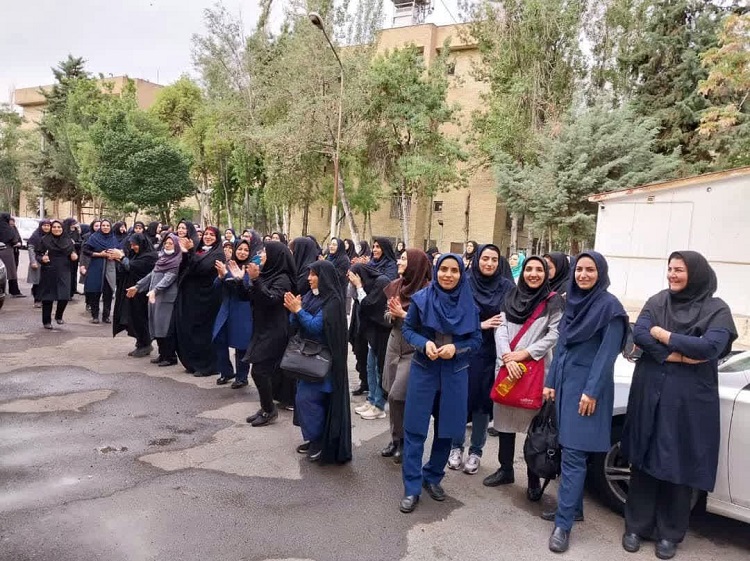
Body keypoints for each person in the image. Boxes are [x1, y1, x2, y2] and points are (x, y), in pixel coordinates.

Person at [620, 251, 737, 560]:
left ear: (696, 273)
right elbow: (640, 333)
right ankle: (635, 526)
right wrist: (677, 355)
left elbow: (709, 346)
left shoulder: (716, 309)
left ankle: (669, 534)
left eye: (679, 270)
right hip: (650, 391)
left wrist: (664, 334)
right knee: (643, 457)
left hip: (689, 401)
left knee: (679, 462)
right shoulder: (659, 301)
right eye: (670, 268)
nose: (672, 274)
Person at [542, 251, 628, 553]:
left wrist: (591, 392)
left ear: (600, 272)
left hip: (587, 392)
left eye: (590, 270)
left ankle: (563, 525)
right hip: (566, 387)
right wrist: (551, 382)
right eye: (579, 269)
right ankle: (574, 508)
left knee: (575, 454)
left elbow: (606, 356)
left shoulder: (610, 308)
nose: (583, 275)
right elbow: (562, 346)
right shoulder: (573, 303)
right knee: (568, 448)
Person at [398, 254, 482, 513]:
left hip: (455, 373)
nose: (448, 274)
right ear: (436, 271)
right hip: (424, 370)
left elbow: (476, 340)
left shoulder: (469, 304)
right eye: (443, 269)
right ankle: (412, 487)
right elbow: (407, 329)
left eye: (454, 270)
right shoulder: (421, 299)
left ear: (461, 274)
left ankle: (432, 477)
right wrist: (424, 343)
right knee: (415, 430)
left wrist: (456, 348)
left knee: (448, 430)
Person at [483, 256, 563, 497]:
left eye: (539, 269)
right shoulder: (510, 296)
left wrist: (525, 354)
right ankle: (505, 469)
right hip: (508, 368)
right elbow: (500, 328)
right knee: (504, 421)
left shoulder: (553, 301)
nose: (533, 274)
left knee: (533, 427)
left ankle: (533, 478)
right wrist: (508, 358)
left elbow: (554, 334)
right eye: (529, 269)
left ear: (546, 274)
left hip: (535, 370)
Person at [449, 244, 516, 475]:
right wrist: (480, 325)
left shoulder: (507, 287)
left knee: (482, 405)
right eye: (485, 258)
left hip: (491, 354)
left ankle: (476, 451)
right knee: (460, 401)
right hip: (464, 350)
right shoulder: (465, 282)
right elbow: (453, 316)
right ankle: (455, 447)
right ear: (477, 259)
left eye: (494, 259)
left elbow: (513, 318)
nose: (489, 263)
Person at [283, 260, 352, 463]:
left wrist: (298, 310)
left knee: (310, 401)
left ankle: (320, 441)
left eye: (313, 275)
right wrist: (295, 311)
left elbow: (315, 326)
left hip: (323, 362)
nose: (309, 278)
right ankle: (314, 438)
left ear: (324, 278)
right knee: (304, 401)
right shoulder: (310, 296)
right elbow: (295, 323)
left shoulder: (333, 301)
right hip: (306, 358)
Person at [235, 241, 296, 427]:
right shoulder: (267, 274)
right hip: (262, 328)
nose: (261, 255)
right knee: (262, 371)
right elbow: (248, 296)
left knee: (259, 371)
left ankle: (269, 410)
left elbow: (271, 299)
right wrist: (240, 280)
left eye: (265, 253)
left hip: (275, 330)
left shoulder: (283, 279)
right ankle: (266, 407)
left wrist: (256, 280)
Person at [381, 249, 432, 464]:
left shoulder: (428, 291)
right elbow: (386, 315)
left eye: (404, 259)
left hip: (414, 349)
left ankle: (405, 442)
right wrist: (392, 315)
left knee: (398, 395)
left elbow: (429, 323)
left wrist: (404, 314)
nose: (399, 262)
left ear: (415, 264)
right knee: (391, 394)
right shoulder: (396, 286)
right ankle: (395, 439)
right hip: (394, 344)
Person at [173, 226, 225, 376]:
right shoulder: (199, 250)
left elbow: (202, 269)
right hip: (191, 297)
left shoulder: (218, 254)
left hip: (206, 299)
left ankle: (207, 366)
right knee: (189, 329)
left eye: (212, 235)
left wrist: (190, 252)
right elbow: (185, 268)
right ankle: (192, 362)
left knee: (203, 332)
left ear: (217, 238)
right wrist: (187, 253)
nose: (208, 237)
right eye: (206, 234)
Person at [128, 234, 181, 366]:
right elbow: (152, 274)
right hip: (154, 297)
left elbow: (168, 278)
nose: (167, 245)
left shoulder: (176, 260)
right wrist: (138, 286)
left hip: (166, 299)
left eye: (171, 243)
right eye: (166, 243)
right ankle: (162, 354)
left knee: (165, 327)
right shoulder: (162, 258)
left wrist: (155, 290)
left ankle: (170, 357)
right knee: (156, 325)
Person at [349, 263, 392, 420]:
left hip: (382, 333)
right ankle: (372, 400)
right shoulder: (371, 283)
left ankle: (379, 405)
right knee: (370, 367)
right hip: (372, 335)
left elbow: (369, 305)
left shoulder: (382, 281)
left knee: (379, 369)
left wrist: (359, 286)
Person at [213, 240, 256, 388]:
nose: (242, 252)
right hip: (226, 308)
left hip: (242, 309)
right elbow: (216, 287)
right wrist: (220, 276)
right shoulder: (228, 266)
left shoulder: (250, 268)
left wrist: (229, 277)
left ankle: (242, 377)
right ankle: (226, 371)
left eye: (246, 250)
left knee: (241, 344)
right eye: (240, 249)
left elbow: (247, 289)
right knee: (218, 338)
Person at [111, 233, 157, 357]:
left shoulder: (150, 256)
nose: (132, 247)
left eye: (135, 245)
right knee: (132, 318)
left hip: (141, 292)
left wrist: (122, 258)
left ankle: (145, 344)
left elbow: (133, 267)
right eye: (131, 245)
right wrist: (119, 259)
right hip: (131, 291)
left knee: (140, 317)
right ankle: (141, 343)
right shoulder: (135, 254)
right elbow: (126, 268)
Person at [36, 219, 78, 328]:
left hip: (64, 270)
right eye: (54, 227)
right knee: (48, 297)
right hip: (49, 270)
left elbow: (73, 252)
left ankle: (59, 316)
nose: (56, 229)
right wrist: (42, 258)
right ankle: (46, 321)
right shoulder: (44, 240)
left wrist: (74, 256)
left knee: (64, 296)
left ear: (63, 228)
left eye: (59, 227)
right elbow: (38, 254)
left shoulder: (68, 240)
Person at [83, 219, 119, 324]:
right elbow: (86, 250)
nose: (105, 227)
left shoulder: (114, 238)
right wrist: (99, 254)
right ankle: (95, 316)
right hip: (96, 266)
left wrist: (115, 255)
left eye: (108, 225)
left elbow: (120, 251)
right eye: (103, 225)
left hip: (110, 268)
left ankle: (106, 316)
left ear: (110, 227)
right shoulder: (94, 237)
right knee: (95, 292)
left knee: (108, 293)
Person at [27, 219, 51, 307]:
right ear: (41, 226)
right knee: (38, 282)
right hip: (38, 261)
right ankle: (37, 300)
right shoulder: (35, 236)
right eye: (44, 225)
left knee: (47, 282)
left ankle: (45, 299)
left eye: (48, 225)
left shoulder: (52, 236)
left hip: (49, 261)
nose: (46, 227)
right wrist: (33, 262)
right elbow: (31, 249)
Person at [0, 212, 25, 297]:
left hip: (5, 250)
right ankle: (14, 291)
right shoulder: (9, 229)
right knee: (11, 273)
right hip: (7, 251)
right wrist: (17, 243)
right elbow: (14, 240)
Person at [63, 218, 82, 298]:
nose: (74, 225)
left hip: (75, 255)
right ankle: (67, 292)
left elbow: (80, 242)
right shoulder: (64, 232)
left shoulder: (76, 232)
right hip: (66, 256)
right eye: (73, 224)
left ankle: (73, 289)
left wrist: (75, 243)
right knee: (67, 274)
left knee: (74, 273)